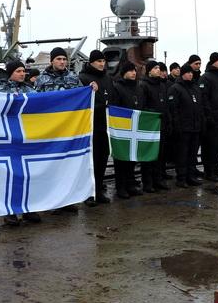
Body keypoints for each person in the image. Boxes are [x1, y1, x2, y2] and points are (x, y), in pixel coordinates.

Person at [35, 47, 87, 212]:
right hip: (50, 129)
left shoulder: (73, 78)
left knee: (67, 165)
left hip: (68, 129)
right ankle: (53, 202)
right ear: (52, 61)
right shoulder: (42, 80)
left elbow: (82, 96)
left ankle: (67, 200)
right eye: (58, 59)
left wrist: (90, 88)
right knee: (51, 166)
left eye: (64, 59)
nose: (62, 62)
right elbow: (35, 102)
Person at [0, 60, 43, 224]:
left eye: (23, 71)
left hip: (27, 138)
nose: (22, 74)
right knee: (10, 176)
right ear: (10, 73)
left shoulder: (30, 90)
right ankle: (10, 212)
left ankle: (28, 209)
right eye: (18, 71)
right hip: (8, 139)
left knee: (29, 175)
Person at [78, 50, 113, 205]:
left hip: (105, 126)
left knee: (102, 159)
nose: (102, 63)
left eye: (103, 61)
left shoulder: (107, 78)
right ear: (91, 62)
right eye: (98, 61)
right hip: (90, 126)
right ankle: (88, 194)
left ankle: (98, 190)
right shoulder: (83, 78)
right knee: (90, 162)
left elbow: (112, 97)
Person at [168, 64, 204, 187]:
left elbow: (200, 107)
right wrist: (176, 126)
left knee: (192, 154)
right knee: (182, 154)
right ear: (183, 74)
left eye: (191, 73)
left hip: (195, 127)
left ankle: (191, 176)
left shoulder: (195, 88)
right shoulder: (175, 88)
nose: (190, 74)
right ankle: (181, 178)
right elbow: (174, 110)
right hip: (183, 128)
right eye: (187, 73)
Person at [137, 60, 170, 193]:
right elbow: (142, 106)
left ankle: (158, 180)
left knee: (160, 156)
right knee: (149, 156)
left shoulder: (162, 85)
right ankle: (147, 182)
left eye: (159, 68)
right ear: (149, 70)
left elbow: (166, 105)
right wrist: (154, 114)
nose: (159, 70)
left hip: (162, 125)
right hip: (150, 126)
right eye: (156, 68)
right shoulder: (143, 85)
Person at [110, 61, 141, 199]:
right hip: (122, 128)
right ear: (124, 73)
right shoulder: (117, 87)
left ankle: (131, 184)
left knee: (132, 158)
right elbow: (114, 107)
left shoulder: (138, 87)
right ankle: (120, 187)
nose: (133, 73)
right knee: (121, 159)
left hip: (135, 128)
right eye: (130, 71)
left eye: (134, 70)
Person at [199, 52, 218, 181]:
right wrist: (209, 116)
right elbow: (204, 99)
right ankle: (209, 171)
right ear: (213, 62)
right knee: (210, 147)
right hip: (212, 120)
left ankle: (217, 170)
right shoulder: (206, 78)